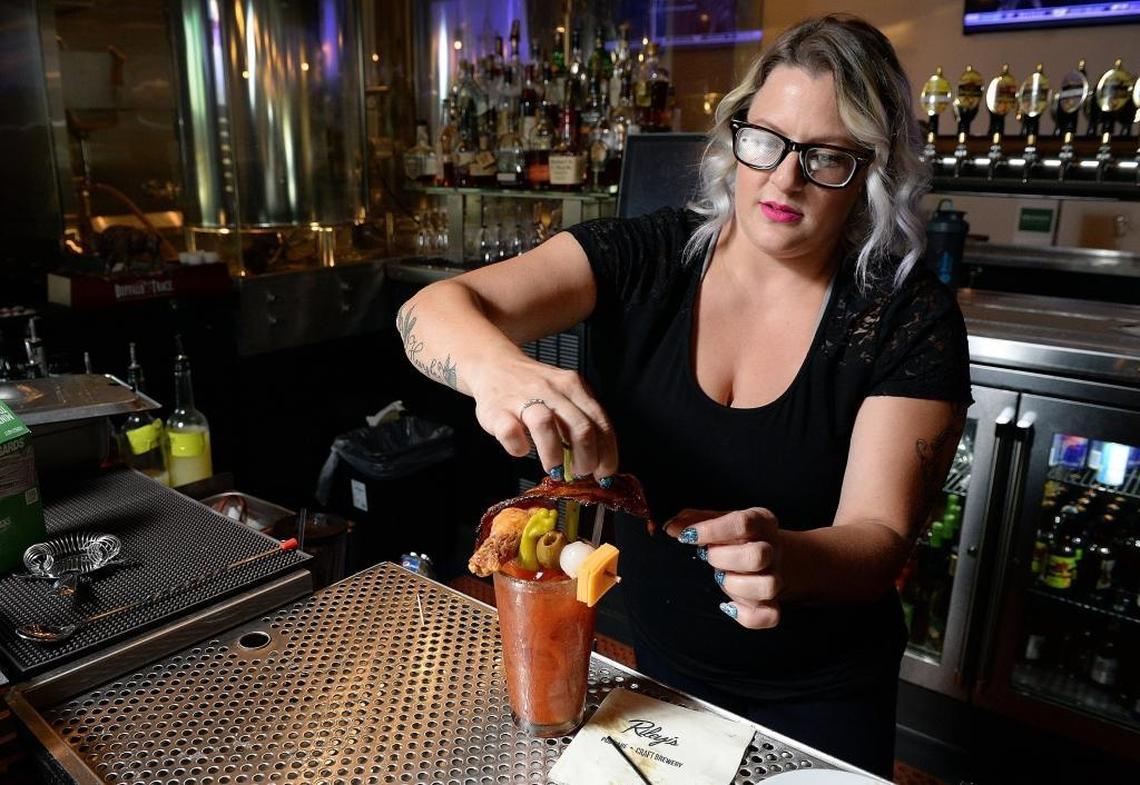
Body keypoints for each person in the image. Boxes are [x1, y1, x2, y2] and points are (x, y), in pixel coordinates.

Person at [396, 15, 971, 777]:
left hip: (820, 702)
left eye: (826, 156)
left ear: (870, 172)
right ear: (735, 133)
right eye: (764, 138)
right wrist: (501, 370)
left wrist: (790, 558)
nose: (783, 177)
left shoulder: (905, 318)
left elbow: (878, 537)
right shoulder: (646, 256)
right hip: (646, 674)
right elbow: (427, 310)